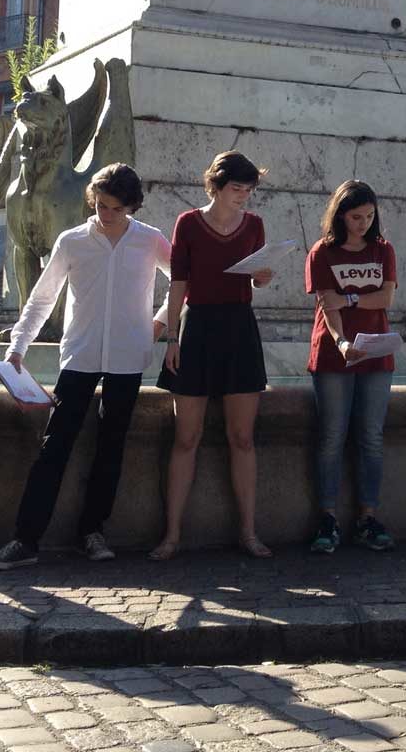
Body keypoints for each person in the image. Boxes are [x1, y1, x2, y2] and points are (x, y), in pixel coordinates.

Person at [0, 164, 171, 570]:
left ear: (131, 206)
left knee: (111, 447)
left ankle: (92, 532)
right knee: (54, 447)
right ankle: (25, 540)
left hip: (127, 358)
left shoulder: (150, 240)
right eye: (100, 205)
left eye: (114, 209)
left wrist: (159, 324)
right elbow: (42, 298)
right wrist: (18, 346)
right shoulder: (72, 241)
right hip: (79, 356)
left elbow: (183, 284)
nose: (104, 215)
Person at [151, 151, 275, 560]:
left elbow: (255, 281)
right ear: (216, 187)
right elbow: (178, 284)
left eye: (248, 190)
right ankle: (171, 536)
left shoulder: (254, 224)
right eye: (237, 189)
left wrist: (261, 277)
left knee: (242, 438)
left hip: (240, 328)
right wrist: (171, 339)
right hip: (198, 326)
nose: (243, 196)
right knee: (186, 437)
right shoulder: (188, 223)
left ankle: (249, 532)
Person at [304, 180, 397, 554]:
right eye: (356, 216)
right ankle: (327, 517)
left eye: (369, 216)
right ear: (340, 215)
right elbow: (328, 304)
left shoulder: (382, 249)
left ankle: (367, 517)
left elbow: (386, 297)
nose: (363, 223)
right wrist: (342, 343)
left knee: (371, 438)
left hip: (376, 352)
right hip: (333, 354)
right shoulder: (322, 253)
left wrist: (352, 298)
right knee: (331, 437)